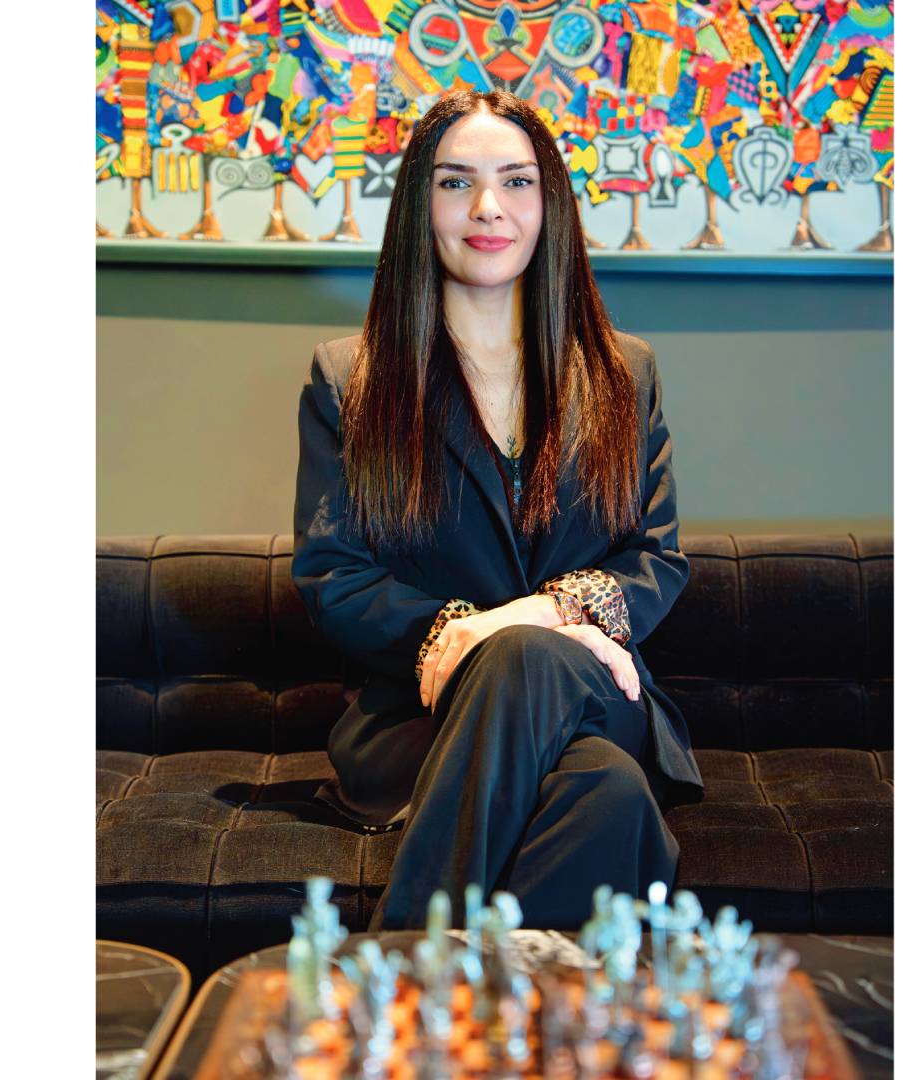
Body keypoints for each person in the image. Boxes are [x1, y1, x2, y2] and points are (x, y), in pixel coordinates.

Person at [292, 89, 703, 931]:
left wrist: (530, 617)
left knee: (526, 651)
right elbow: (333, 575)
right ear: (420, 205)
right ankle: (504, 1002)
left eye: (516, 182)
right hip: (425, 716)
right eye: (456, 182)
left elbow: (655, 557)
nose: (488, 207)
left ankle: (404, 961)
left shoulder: (624, 373)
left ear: (550, 205)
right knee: (609, 793)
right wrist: (461, 635)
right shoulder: (351, 378)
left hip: (599, 692)